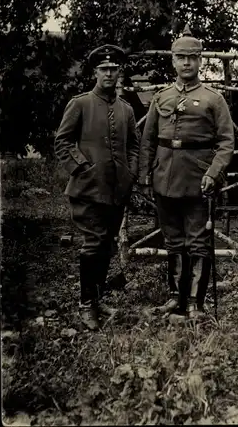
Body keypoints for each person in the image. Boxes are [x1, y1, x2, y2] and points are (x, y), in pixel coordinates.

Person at [138, 25, 235, 320]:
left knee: (197, 241)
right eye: (181, 57)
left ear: (200, 61)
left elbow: (226, 142)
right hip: (165, 178)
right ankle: (174, 298)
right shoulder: (162, 97)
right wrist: (145, 176)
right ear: (173, 61)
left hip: (197, 180)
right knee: (172, 241)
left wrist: (213, 173)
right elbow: (149, 139)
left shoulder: (213, 99)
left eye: (192, 58)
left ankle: (195, 302)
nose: (186, 63)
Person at [55, 44, 139, 330]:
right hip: (88, 190)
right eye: (104, 69)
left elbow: (135, 147)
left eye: (114, 69)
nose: (109, 74)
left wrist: (131, 172)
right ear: (94, 72)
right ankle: (86, 304)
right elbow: (62, 141)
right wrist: (82, 168)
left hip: (117, 190)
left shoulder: (125, 109)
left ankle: (99, 298)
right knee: (93, 244)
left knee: (105, 246)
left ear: (119, 72)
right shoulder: (80, 104)